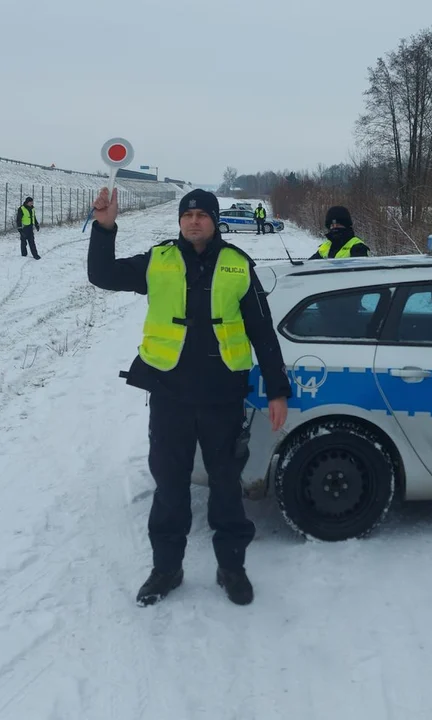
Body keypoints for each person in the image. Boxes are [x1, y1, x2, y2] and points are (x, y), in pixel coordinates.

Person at [87, 187, 291, 607]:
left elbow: (262, 331)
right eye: (188, 214)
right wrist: (104, 228)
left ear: (214, 220)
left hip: (222, 398)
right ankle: (166, 569)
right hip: (170, 397)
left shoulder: (238, 266)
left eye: (202, 214)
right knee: (169, 487)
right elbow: (102, 275)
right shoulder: (158, 261)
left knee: (226, 487)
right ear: (180, 220)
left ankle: (231, 567)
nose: (194, 220)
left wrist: (277, 389)